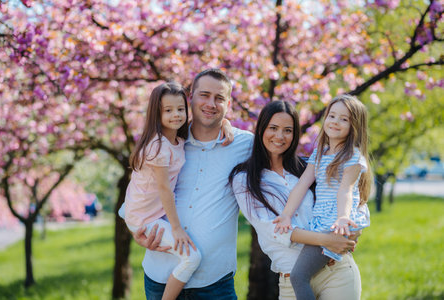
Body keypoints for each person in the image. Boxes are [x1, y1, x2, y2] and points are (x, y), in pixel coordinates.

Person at [124, 69, 253, 299]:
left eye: (219, 98)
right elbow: (140, 189)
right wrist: (135, 229)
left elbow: (282, 155)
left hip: (214, 284)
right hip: (160, 277)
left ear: (229, 103)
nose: (211, 104)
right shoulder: (170, 142)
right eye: (204, 95)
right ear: (190, 97)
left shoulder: (243, 144)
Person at [230, 100, 364, 300]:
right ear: (261, 130)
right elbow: (274, 231)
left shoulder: (305, 167)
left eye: (288, 130)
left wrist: (354, 228)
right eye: (273, 128)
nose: (279, 136)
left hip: (335, 272)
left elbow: (347, 193)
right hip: (293, 280)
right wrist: (327, 240)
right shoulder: (245, 180)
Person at [273, 95, 371, 300]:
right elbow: (302, 184)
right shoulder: (320, 152)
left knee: (298, 276)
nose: (335, 121)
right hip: (320, 220)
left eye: (344, 119)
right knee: (302, 276)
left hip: (334, 222)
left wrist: (343, 218)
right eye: (332, 115)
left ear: (355, 126)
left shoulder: (352, 156)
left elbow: (346, 190)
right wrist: (286, 215)